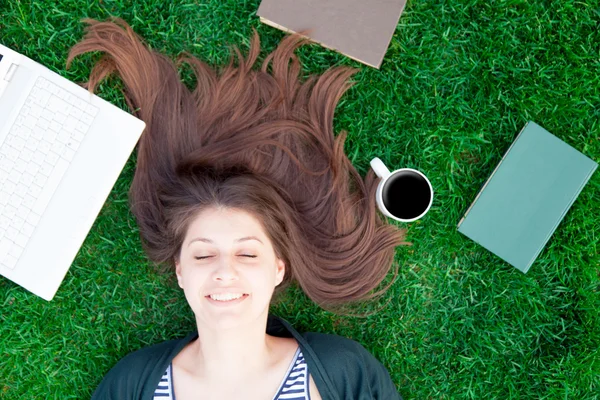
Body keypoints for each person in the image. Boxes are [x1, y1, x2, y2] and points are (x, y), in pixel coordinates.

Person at [68, 17, 408, 400]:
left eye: (247, 252)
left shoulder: (346, 371)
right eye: (203, 254)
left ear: (278, 268)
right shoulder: (129, 384)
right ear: (180, 271)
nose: (224, 271)